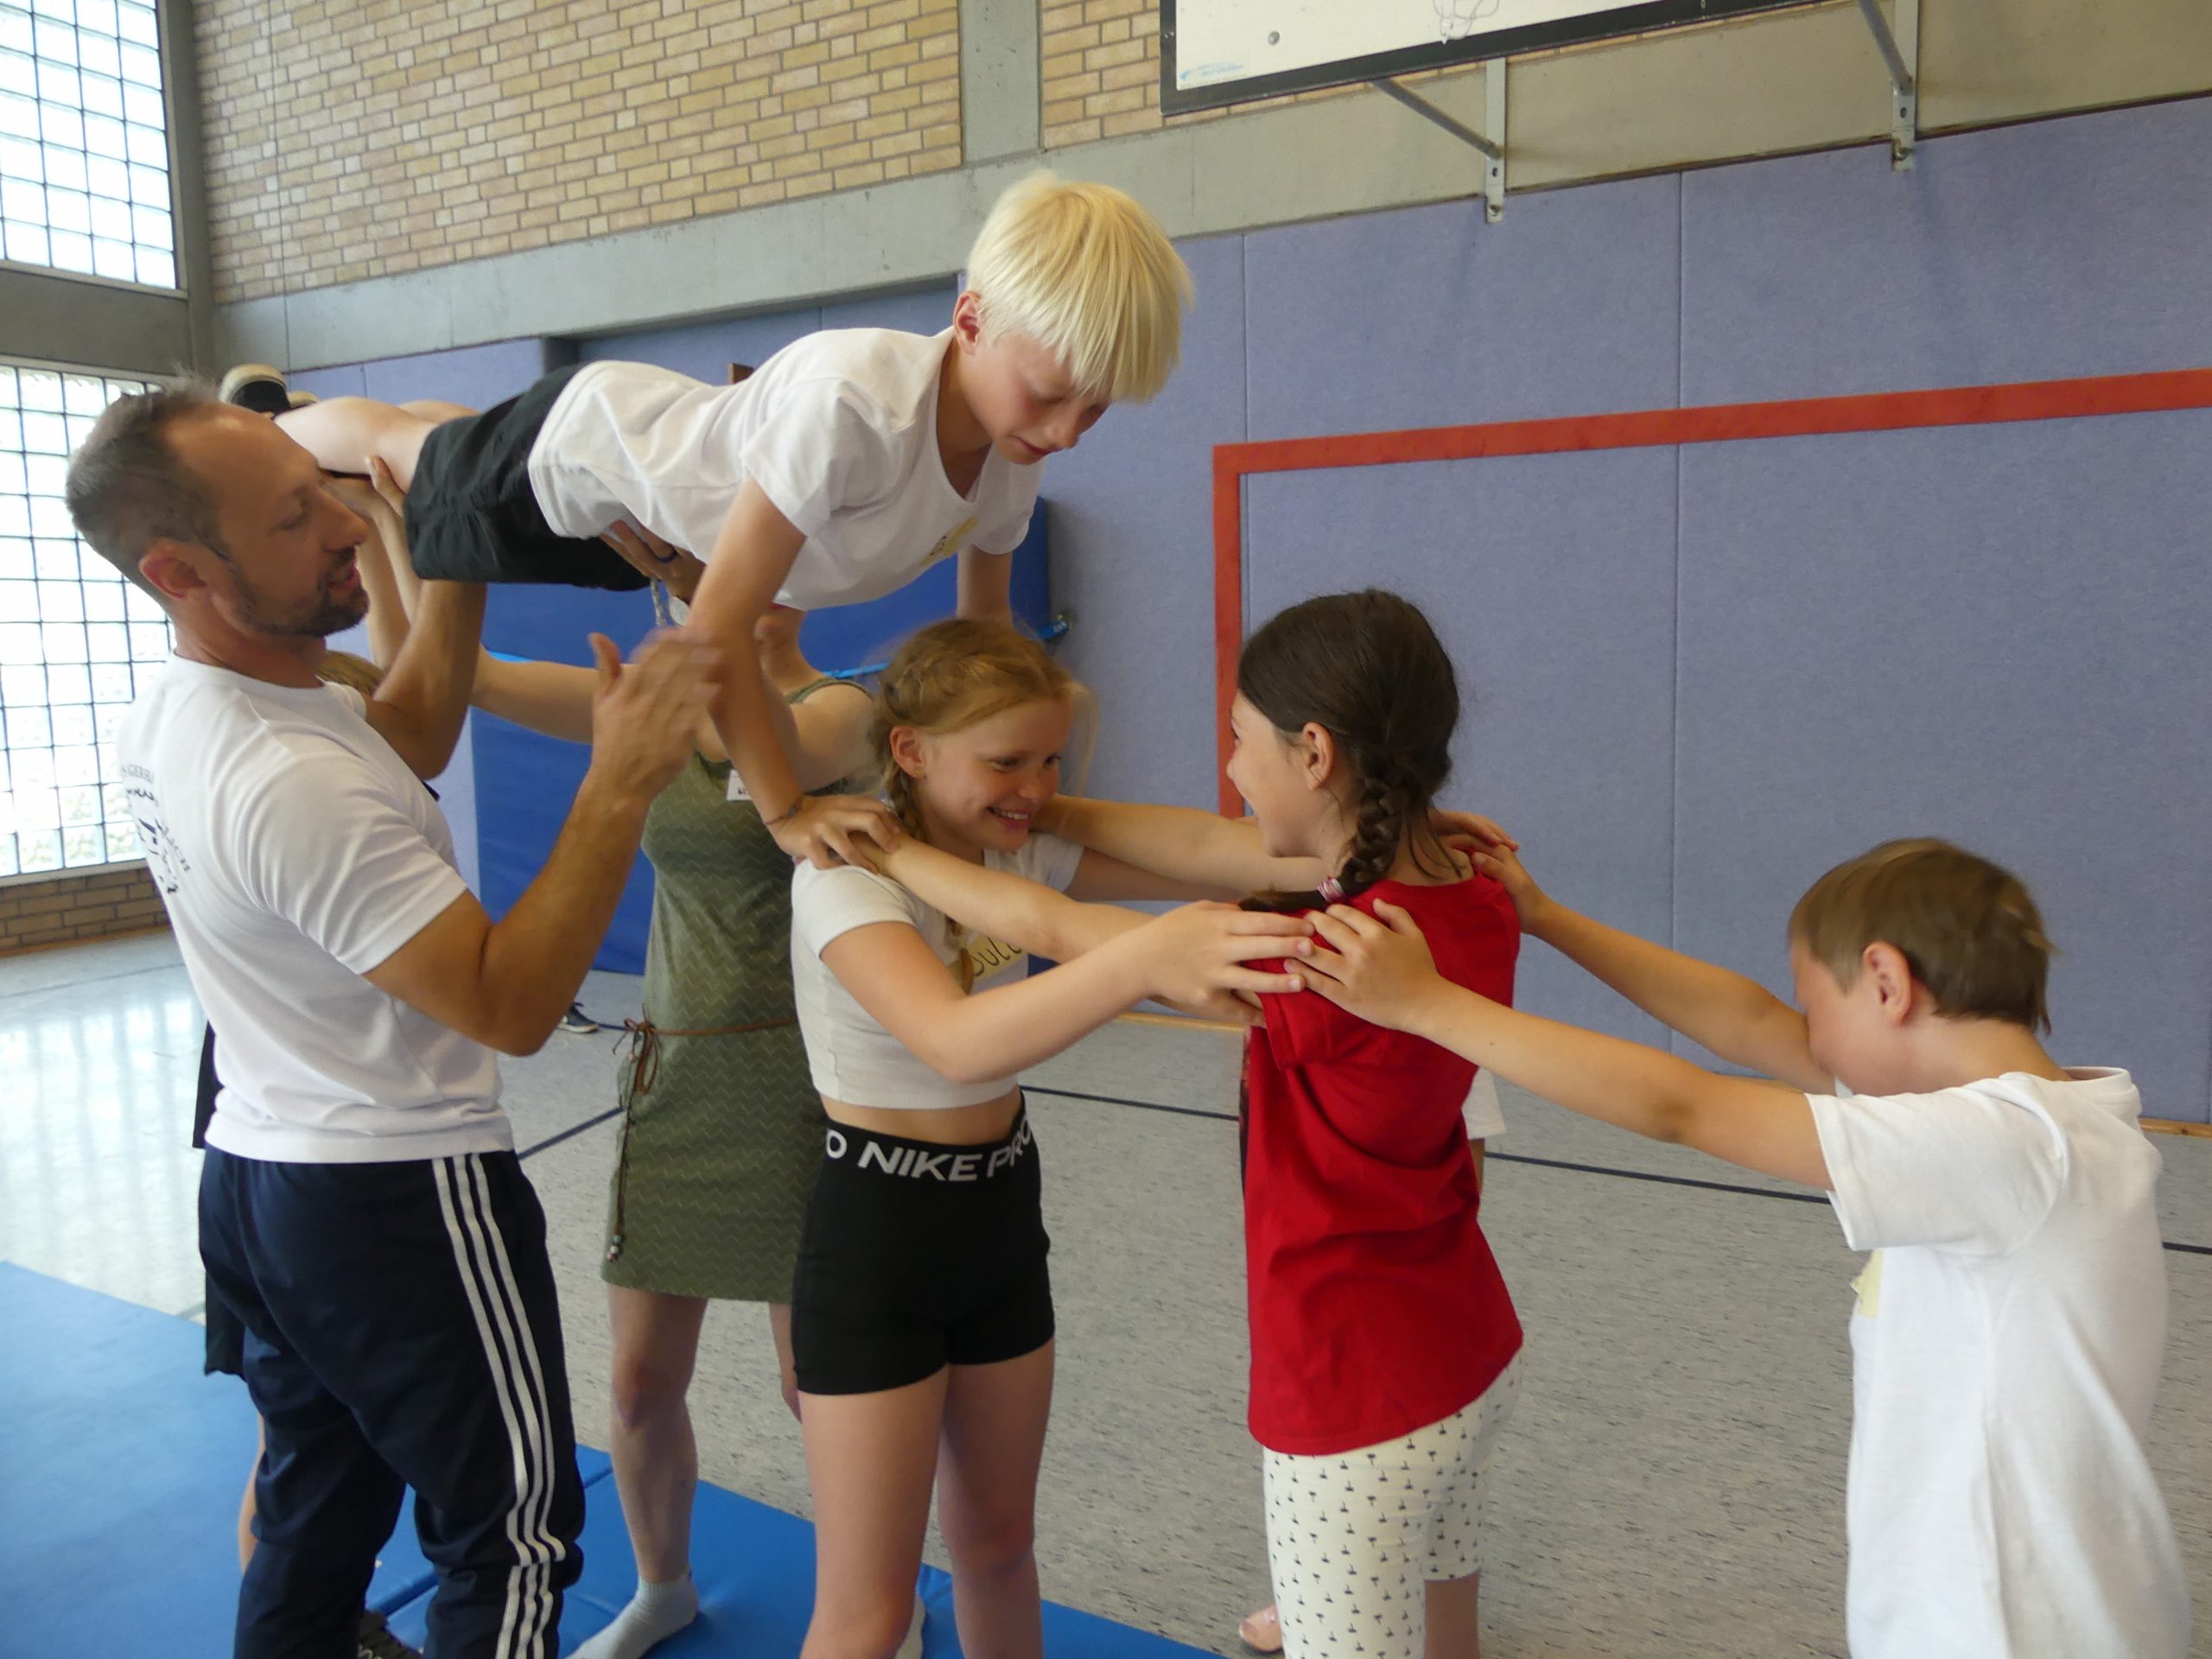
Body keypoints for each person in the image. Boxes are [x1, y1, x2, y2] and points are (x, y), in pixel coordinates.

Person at [66, 385, 714, 1657]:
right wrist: (621, 779)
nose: (348, 529)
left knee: (316, 1507)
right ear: (180, 572)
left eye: (321, 494)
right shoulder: (284, 779)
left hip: (266, 1174)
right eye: (292, 519)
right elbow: (510, 1006)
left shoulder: (206, 703)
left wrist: (450, 543)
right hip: (395, 1194)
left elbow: (408, 732)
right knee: (514, 1538)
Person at [1292, 836, 2192, 1658]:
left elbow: (1681, 1106)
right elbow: (1749, 1024)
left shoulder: (2007, 1149)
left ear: (1886, 984)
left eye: (1814, 1005)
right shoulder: (2044, 1123)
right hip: (2025, 1599)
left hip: (2007, 1622)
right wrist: (1547, 918)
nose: (1805, 1036)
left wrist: (1428, 1006)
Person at [867, 592, 1524, 1659]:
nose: (1229, 768)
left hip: (1352, 1387)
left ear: (1314, 754)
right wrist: (1037, 808)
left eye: (1238, 739)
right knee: (1447, 1624)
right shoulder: (1471, 896)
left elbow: (1055, 926)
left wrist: (889, 851)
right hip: (1467, 1342)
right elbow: (1194, 845)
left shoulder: (1325, 964)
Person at [238, 172, 1194, 871]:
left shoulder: (1011, 456)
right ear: (972, 321)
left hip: (651, 528)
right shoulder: (855, 409)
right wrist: (785, 812)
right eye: (1049, 396)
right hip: (581, 463)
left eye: (1097, 410)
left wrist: (1010, 773)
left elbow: (985, 640)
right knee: (405, 454)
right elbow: (715, 631)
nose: (1066, 433)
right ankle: (268, 426)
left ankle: (425, 429)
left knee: (441, 445)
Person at [365, 501, 883, 1659]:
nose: (734, 582)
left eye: (749, 566)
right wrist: (399, 532)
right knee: (642, 1383)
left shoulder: (842, 710)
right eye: (710, 561)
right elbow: (457, 679)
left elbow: (770, 745)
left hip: (805, 1084)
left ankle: (867, 1604)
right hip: (677, 1073)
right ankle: (663, 1587)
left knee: (819, 1386)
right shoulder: (650, 705)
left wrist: (705, 621)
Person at [782, 617, 1314, 1659]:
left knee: (998, 1548)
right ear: (909, 751)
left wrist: (1394, 831)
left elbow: (1220, 851)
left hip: (997, 1212)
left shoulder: (1012, 846)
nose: (1033, 787)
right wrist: (1147, 959)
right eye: (1004, 762)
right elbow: (954, 1043)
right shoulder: (843, 876)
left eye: (1049, 760)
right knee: (868, 1610)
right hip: (880, 1237)